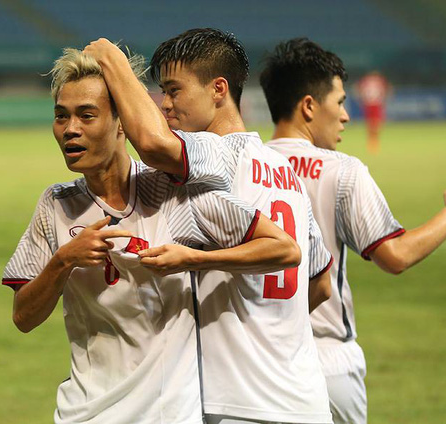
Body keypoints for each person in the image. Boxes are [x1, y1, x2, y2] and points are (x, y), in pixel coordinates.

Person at [2, 47, 302, 424]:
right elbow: (23, 316)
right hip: (85, 413)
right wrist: (63, 261)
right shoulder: (56, 205)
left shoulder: (175, 193)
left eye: (87, 115)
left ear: (122, 123)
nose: (70, 129)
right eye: (61, 116)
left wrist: (194, 258)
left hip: (170, 414)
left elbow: (283, 248)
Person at [85, 29, 334, 424]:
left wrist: (112, 59)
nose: (164, 105)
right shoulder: (286, 172)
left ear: (218, 89)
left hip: (240, 400)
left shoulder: (216, 152)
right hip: (305, 396)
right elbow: (320, 283)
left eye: (173, 90)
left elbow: (151, 143)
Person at [259, 37, 446, 424]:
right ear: (309, 106)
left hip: (257, 363)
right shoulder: (341, 170)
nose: (346, 116)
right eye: (341, 101)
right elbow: (394, 255)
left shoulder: (244, 167)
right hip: (326, 361)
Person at [356, 70, 390, 154]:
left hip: (372, 103)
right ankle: (373, 142)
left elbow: (358, 89)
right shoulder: (377, 81)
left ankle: (373, 142)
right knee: (373, 124)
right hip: (373, 104)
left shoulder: (367, 81)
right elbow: (388, 90)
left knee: (374, 123)